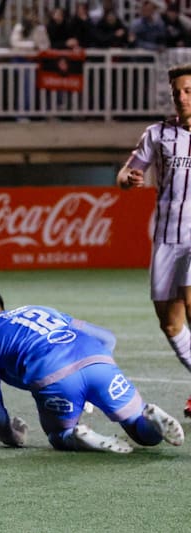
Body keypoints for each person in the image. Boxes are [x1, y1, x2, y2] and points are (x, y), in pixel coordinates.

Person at [0, 288, 185, 453]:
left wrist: (10, 436)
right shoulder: (38, 309)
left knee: (58, 436)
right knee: (142, 431)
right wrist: (92, 373)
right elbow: (107, 337)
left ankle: (78, 435)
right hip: (97, 359)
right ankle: (152, 416)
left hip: (54, 376)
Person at [117, 63, 191, 417]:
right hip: (165, 239)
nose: (181, 98)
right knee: (171, 323)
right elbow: (125, 172)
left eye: (188, 91)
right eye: (176, 92)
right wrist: (128, 179)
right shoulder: (158, 133)